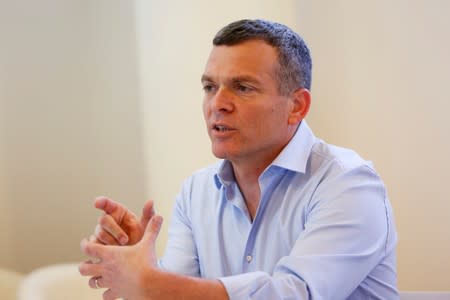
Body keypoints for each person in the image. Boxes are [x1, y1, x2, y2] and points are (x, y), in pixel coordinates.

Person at [79, 19, 398, 300]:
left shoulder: (349, 184)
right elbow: (178, 294)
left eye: (242, 87)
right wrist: (144, 270)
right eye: (209, 86)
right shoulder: (195, 192)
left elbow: (294, 294)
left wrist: (151, 284)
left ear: (297, 106)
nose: (217, 104)